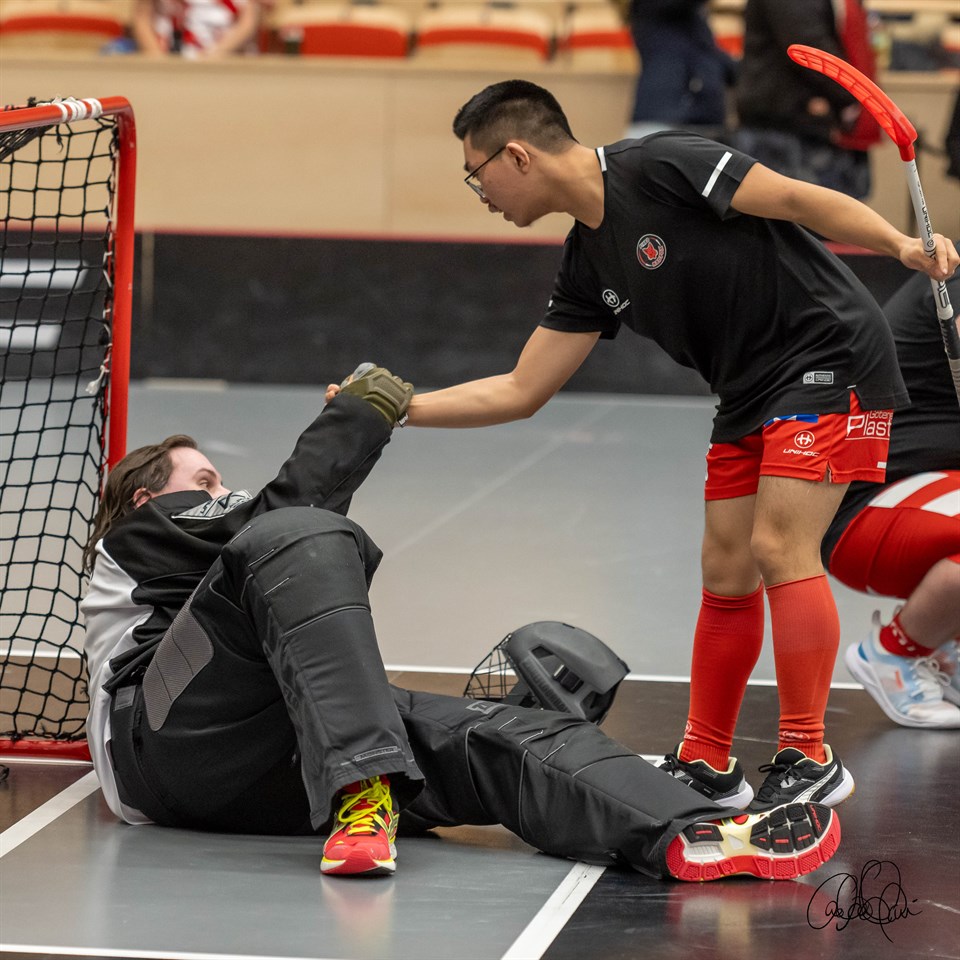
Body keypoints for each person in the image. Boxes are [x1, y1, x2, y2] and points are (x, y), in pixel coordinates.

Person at [325, 80, 959, 816]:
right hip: (747, 389)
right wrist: (396, 407)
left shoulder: (663, 164)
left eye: (478, 173)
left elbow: (793, 198)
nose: (481, 193)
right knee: (725, 569)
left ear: (518, 155)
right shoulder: (587, 264)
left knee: (779, 546)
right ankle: (707, 761)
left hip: (829, 353)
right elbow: (523, 389)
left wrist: (898, 244)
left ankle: (808, 755)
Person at [80, 364, 842, 883]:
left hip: (283, 766)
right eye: (205, 480)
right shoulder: (138, 535)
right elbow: (280, 517)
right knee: (300, 533)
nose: (222, 488)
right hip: (167, 742)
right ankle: (365, 790)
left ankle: (697, 832)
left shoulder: (228, 543)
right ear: (149, 499)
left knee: (511, 737)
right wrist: (359, 415)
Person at [822, 247, 960, 729]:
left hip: (927, 494)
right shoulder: (954, 284)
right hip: (867, 512)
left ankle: (943, 645)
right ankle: (892, 653)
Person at [733, 0, 881, 200]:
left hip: (797, 125)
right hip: (786, 131)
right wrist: (852, 96)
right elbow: (809, 48)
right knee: (798, 215)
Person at [626, 0, 736, 140]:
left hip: (704, 124)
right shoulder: (654, 8)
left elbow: (715, 60)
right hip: (663, 121)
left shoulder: (695, 23)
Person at [132, 0, 264, 58]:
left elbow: (248, 23)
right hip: (168, 59)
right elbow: (142, 17)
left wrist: (216, 55)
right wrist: (157, 57)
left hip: (225, 62)